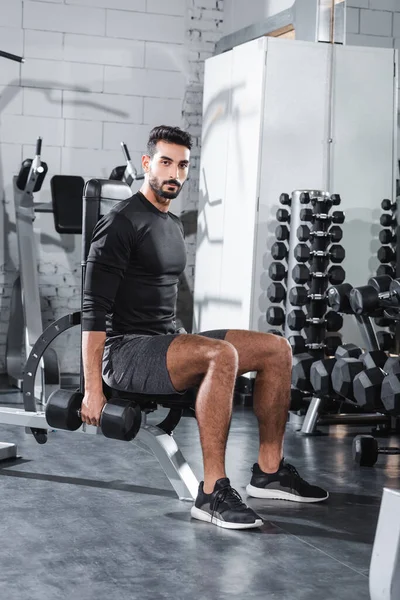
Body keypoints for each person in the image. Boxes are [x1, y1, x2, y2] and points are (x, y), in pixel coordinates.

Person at [81, 125, 328, 530]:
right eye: (165, 163)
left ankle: (269, 472)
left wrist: (185, 344)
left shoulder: (173, 225)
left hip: (163, 342)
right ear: (147, 164)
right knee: (221, 354)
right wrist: (93, 388)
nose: (174, 174)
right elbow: (93, 309)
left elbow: (162, 302)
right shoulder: (120, 223)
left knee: (276, 349)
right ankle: (211, 492)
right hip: (125, 352)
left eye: (182, 166)